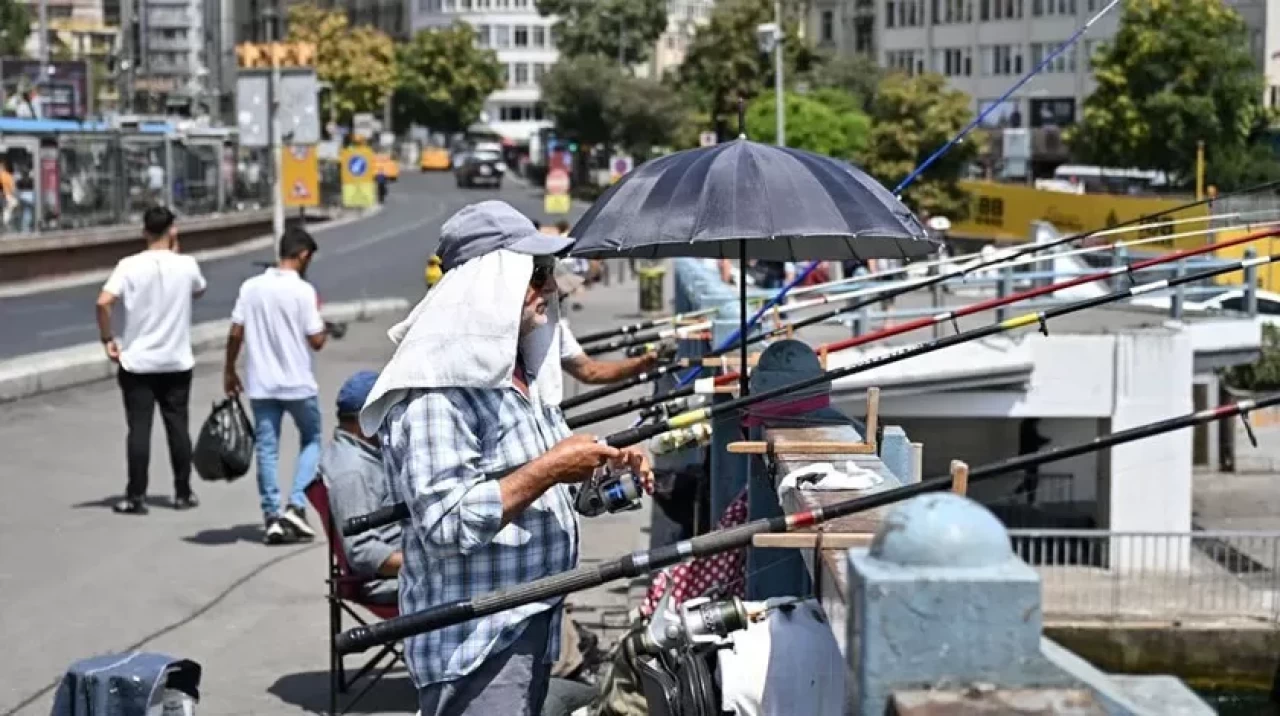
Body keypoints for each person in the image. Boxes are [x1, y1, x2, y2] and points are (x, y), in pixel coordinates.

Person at [358, 200, 651, 716]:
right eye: (536, 275)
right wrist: (551, 467)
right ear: (488, 285)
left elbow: (559, 490)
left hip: (533, 618)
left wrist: (608, 473)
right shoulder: (435, 393)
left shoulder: (520, 375)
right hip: (479, 642)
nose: (552, 288)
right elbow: (447, 523)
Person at [95, 206, 207, 514]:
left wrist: (108, 339)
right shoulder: (187, 265)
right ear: (173, 230)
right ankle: (183, 492)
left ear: (144, 232)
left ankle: (136, 496)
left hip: (138, 363)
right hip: (176, 361)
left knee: (139, 429)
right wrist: (178, 250)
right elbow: (199, 291)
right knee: (178, 428)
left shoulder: (129, 266)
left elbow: (104, 302)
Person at [224, 226, 328, 545]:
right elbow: (316, 340)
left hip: (262, 384)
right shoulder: (302, 291)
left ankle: (271, 516)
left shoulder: (251, 287)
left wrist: (229, 370)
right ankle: (296, 505)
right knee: (312, 439)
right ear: (303, 255)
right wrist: (324, 327)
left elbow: (236, 332)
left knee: (267, 449)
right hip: (297, 384)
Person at [320, 370, 400, 604]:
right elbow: (362, 551)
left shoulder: (356, 452)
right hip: (391, 581)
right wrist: (425, 563)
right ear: (364, 419)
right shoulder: (352, 472)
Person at [555, 264, 660, 385]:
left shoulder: (557, 328)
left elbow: (589, 371)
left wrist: (640, 364)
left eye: (560, 297)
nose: (556, 300)